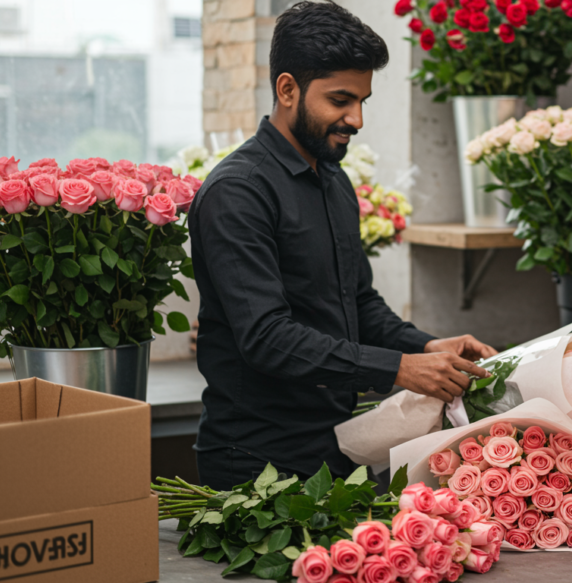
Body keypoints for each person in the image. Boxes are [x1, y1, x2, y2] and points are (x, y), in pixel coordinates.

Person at [189, 1, 497, 490]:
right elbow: (267, 338)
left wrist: (425, 346)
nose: (355, 119)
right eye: (339, 100)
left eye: (362, 101)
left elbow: (358, 304)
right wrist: (401, 368)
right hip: (256, 463)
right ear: (287, 89)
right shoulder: (238, 191)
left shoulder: (333, 180)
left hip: (340, 446)